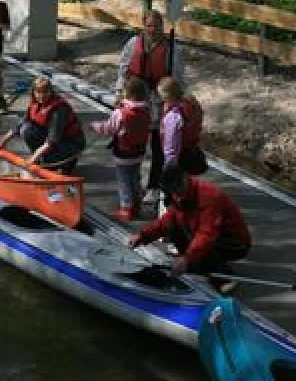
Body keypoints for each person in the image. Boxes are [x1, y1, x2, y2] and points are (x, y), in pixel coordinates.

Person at [127, 164, 251, 293]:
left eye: (178, 187)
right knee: (172, 226)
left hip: (234, 242)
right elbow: (166, 222)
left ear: (185, 178)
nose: (177, 193)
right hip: (202, 232)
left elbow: (206, 234)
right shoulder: (177, 196)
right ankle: (194, 266)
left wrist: (187, 258)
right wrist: (142, 236)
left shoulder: (209, 196)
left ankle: (224, 278)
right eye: (173, 190)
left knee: (205, 243)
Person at [114, 9, 185, 210]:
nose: (152, 29)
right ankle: (134, 184)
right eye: (149, 25)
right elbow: (123, 69)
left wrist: (175, 102)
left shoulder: (173, 49)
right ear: (143, 25)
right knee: (133, 143)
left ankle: (154, 185)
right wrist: (119, 93)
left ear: (162, 26)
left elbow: (178, 78)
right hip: (136, 101)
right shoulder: (132, 44)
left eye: (156, 25)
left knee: (157, 145)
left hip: (158, 101)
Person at [0, 76, 86, 172]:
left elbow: (52, 140)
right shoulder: (35, 103)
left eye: (45, 92)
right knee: (26, 129)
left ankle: (65, 162)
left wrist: (32, 160)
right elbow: (19, 125)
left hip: (70, 143)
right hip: (53, 142)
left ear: (51, 92)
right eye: (38, 92)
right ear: (33, 92)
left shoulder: (59, 109)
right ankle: (44, 159)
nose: (41, 96)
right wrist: (1, 143)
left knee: (48, 164)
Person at [90, 77, 151, 221]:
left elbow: (109, 129)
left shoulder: (120, 113)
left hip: (123, 152)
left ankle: (127, 207)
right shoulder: (147, 110)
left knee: (123, 180)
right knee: (135, 177)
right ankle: (137, 203)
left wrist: (95, 126)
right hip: (140, 151)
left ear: (127, 93)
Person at [157, 76, 207, 177]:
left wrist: (169, 165)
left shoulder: (173, 115)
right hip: (192, 151)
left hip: (180, 158)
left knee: (176, 189)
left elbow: (171, 142)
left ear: (167, 97)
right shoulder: (191, 104)